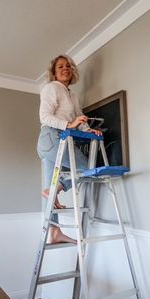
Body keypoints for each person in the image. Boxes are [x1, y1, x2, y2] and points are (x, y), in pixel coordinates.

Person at [37, 54, 101, 244]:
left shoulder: (72, 95)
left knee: (48, 188)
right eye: (60, 67)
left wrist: (89, 129)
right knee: (86, 169)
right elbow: (45, 117)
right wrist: (70, 124)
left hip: (53, 141)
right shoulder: (50, 88)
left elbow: (78, 118)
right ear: (54, 73)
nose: (65, 68)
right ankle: (56, 189)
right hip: (52, 137)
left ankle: (54, 231)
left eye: (68, 66)